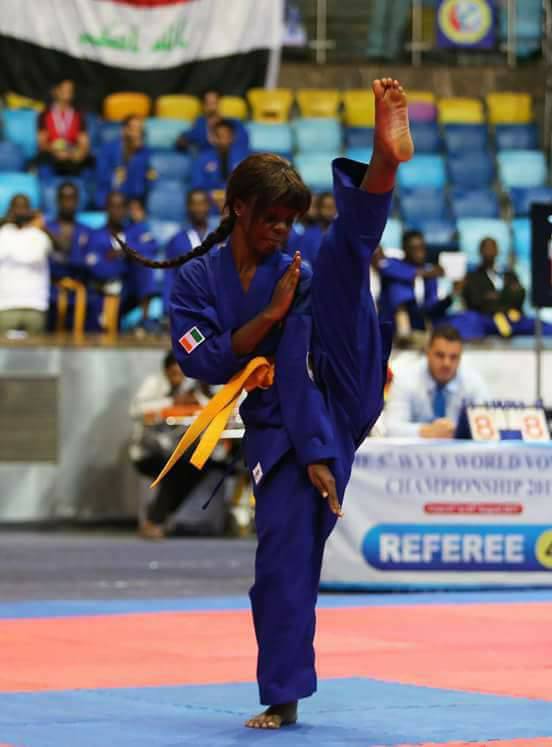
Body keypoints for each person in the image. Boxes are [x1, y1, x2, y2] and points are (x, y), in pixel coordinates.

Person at [120, 78, 413, 729]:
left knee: (341, 258)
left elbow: (298, 368)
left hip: (338, 384)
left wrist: (318, 451)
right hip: (281, 423)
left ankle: (384, 161)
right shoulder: (197, 279)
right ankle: (284, 694)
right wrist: (268, 318)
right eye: (271, 218)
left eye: (289, 220)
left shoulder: (295, 270)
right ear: (236, 209)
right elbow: (202, 360)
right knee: (284, 555)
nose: (282, 231)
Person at [130, 351, 212, 540]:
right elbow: (136, 409)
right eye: (174, 374)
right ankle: (155, 520)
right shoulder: (153, 384)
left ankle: (157, 516)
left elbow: (209, 407)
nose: (178, 379)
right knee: (174, 469)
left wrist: (198, 398)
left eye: (182, 374)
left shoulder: (191, 386)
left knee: (199, 466)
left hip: (179, 450)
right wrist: (171, 402)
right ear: (166, 371)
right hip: (149, 452)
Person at [384, 324, 490, 438]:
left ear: (460, 357)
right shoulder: (405, 379)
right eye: (440, 355)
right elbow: (391, 429)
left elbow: (488, 428)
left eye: (453, 357)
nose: (446, 363)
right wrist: (426, 431)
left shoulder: (473, 383)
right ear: (427, 352)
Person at [85, 191, 157, 332]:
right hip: (105, 290)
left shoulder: (135, 230)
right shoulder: (96, 235)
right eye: (113, 206)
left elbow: (151, 246)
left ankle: (145, 319)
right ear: (106, 209)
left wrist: (124, 251)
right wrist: (122, 264)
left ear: (126, 209)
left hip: (130, 290)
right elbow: (96, 268)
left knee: (145, 262)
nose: (117, 211)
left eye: (121, 207)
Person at [460, 237, 552, 337]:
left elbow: (520, 294)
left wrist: (495, 296)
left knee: (543, 326)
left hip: (513, 317)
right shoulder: (473, 277)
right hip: (487, 319)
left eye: (492, 247)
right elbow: (475, 300)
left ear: (498, 251)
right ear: (480, 251)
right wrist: (506, 296)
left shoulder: (508, 274)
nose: (489, 251)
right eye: (486, 248)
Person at [379, 229, 454, 342]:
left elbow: (431, 304)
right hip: (393, 322)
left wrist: (450, 297)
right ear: (405, 249)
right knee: (398, 287)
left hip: (421, 321)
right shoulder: (392, 263)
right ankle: (404, 334)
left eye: (422, 247)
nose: (419, 252)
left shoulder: (429, 271)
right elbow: (386, 268)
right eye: (414, 248)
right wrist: (424, 273)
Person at [0, 195, 52, 335]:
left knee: (36, 348)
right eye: (16, 207)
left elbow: (62, 249)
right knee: (3, 348)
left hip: (35, 304)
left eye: (23, 208)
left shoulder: (39, 235)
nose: (20, 211)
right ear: (10, 210)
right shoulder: (2, 233)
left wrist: (43, 227)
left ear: (30, 211)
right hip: (5, 305)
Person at [45, 182, 91, 327]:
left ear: (77, 201)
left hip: (79, 296)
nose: (68, 203)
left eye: (72, 198)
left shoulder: (87, 231)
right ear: (57, 201)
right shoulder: (46, 229)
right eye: (64, 198)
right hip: (50, 296)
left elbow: (88, 264)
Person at [163, 190, 213, 314]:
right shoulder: (176, 241)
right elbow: (170, 276)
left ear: (208, 206)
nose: (198, 208)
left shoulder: (222, 239)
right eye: (194, 204)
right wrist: (168, 308)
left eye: (202, 203)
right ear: (187, 207)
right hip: (186, 305)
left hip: (215, 305)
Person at [37, 79, 92, 178]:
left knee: (88, 160)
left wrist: (77, 152)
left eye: (70, 90)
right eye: (64, 89)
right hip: (52, 154)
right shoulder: (44, 114)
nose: (68, 92)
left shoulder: (78, 115)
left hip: (73, 154)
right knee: (42, 159)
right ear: (55, 91)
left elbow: (84, 143)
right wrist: (55, 151)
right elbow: (42, 143)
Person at [95, 115, 153, 209]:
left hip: (133, 202)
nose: (137, 134)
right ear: (123, 130)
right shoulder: (107, 149)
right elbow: (101, 177)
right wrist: (115, 178)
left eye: (140, 130)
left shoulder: (144, 152)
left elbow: (146, 182)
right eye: (134, 129)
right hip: (109, 200)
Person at [176, 89, 249, 153]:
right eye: (208, 103)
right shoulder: (199, 125)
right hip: (207, 160)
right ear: (203, 105)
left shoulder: (234, 123)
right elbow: (184, 140)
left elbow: (243, 141)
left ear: (219, 103)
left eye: (214, 102)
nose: (212, 107)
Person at [190, 119, 249, 194]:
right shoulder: (202, 158)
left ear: (233, 137)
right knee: (197, 197)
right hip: (210, 197)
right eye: (219, 136)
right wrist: (214, 194)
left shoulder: (243, 157)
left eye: (227, 136)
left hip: (236, 196)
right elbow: (197, 184)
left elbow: (248, 183)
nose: (223, 140)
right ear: (213, 137)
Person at [287, 191, 337, 269]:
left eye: (333, 207)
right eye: (326, 207)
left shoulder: (341, 235)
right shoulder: (307, 236)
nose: (330, 212)